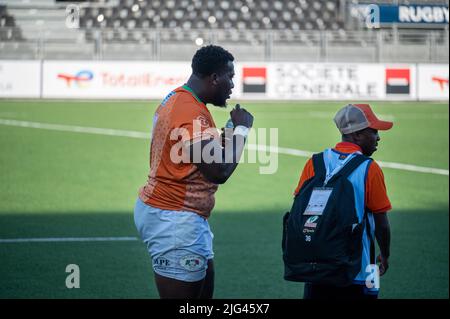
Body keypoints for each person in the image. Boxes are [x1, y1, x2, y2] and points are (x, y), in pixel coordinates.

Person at [134, 45, 254, 299]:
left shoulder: (179, 98)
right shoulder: (190, 112)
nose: (232, 85)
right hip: (175, 217)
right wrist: (242, 130)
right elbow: (219, 170)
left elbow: (199, 157)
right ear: (214, 78)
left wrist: (229, 135)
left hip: (176, 213)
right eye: (230, 77)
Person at [294, 104, 392, 299]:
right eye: (373, 131)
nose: (378, 137)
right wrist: (385, 254)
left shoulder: (314, 162)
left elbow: (299, 210)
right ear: (356, 135)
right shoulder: (370, 168)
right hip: (360, 269)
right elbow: (381, 223)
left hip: (316, 267)